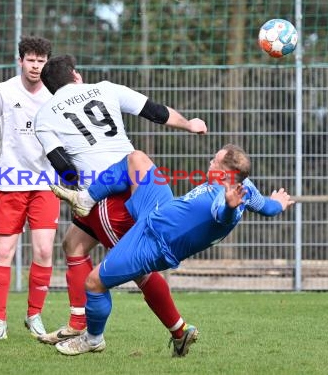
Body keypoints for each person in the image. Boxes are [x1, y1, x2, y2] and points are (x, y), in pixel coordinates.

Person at [34, 54, 208, 356]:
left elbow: (61, 165)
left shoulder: (44, 115)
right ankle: (77, 321)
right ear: (76, 76)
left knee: (136, 265)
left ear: (51, 88)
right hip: (135, 179)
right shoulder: (106, 88)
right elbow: (153, 111)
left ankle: (177, 330)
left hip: (107, 198)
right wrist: (189, 124)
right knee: (73, 243)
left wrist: (82, 190)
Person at [49, 144, 295, 355]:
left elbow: (223, 214)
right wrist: (279, 204)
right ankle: (86, 198)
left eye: (214, 160)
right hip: (155, 210)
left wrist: (231, 207)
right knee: (137, 159)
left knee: (94, 283)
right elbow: (267, 207)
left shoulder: (223, 199)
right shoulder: (246, 187)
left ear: (225, 173)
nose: (209, 162)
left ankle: (93, 340)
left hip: (153, 244)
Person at [0, 36, 58, 340]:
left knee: (45, 250)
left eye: (41, 60)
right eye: (30, 60)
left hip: (46, 184)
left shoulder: (55, 94)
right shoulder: (3, 91)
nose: (35, 66)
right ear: (20, 60)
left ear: (47, 62)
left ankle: (34, 315)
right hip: (11, 183)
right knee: (4, 251)